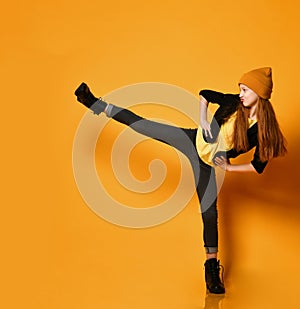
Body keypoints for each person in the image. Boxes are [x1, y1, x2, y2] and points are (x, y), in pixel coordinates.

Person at [74, 67, 287, 294]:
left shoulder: (262, 130)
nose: (241, 93)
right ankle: (96, 104)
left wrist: (230, 169)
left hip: (204, 163)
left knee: (209, 214)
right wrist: (203, 120)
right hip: (191, 139)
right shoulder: (234, 103)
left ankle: (211, 270)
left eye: (245, 89)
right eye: (240, 89)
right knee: (144, 125)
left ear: (259, 93)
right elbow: (205, 93)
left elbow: (258, 166)